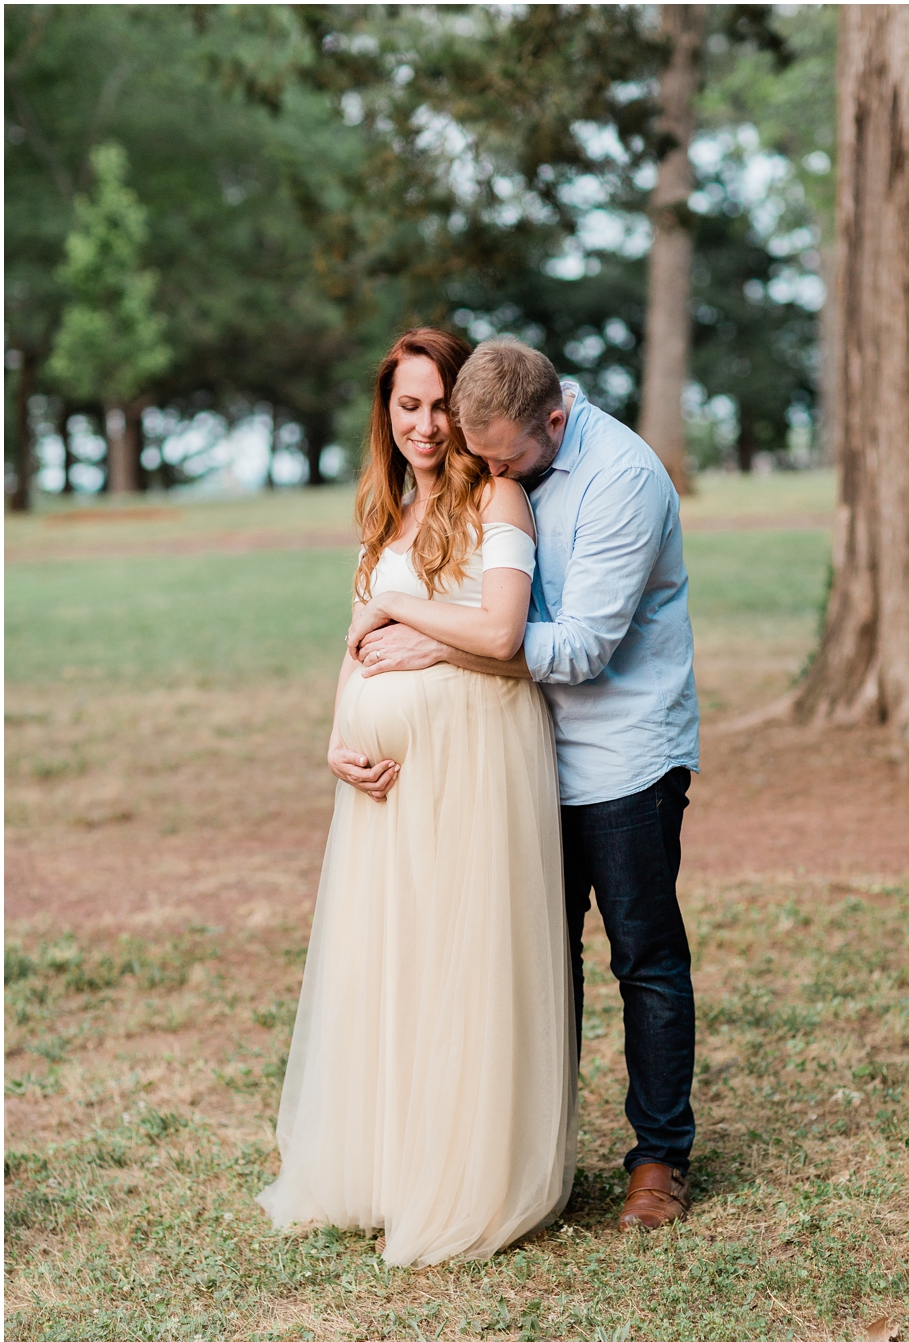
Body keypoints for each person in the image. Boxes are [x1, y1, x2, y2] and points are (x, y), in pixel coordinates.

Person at [352, 338, 702, 1233]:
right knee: (535, 962)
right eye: (484, 454)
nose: (490, 468)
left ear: (556, 419)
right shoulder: (503, 452)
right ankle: (537, 1153)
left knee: (644, 960)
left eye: (505, 457)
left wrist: (438, 641)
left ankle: (659, 1158)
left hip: (623, 758)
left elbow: (579, 647)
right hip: (520, 758)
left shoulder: (622, 478)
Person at [257, 327, 576, 1267]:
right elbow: (355, 641)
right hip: (385, 786)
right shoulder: (385, 514)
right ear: (385, 412)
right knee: (392, 964)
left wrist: (405, 616)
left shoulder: (502, 498)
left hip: (475, 762)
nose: (427, 424)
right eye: (408, 404)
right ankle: (395, 1162)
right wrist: (337, 732)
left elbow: (505, 629)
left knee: (459, 960)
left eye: (441, 404)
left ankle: (467, 1175)